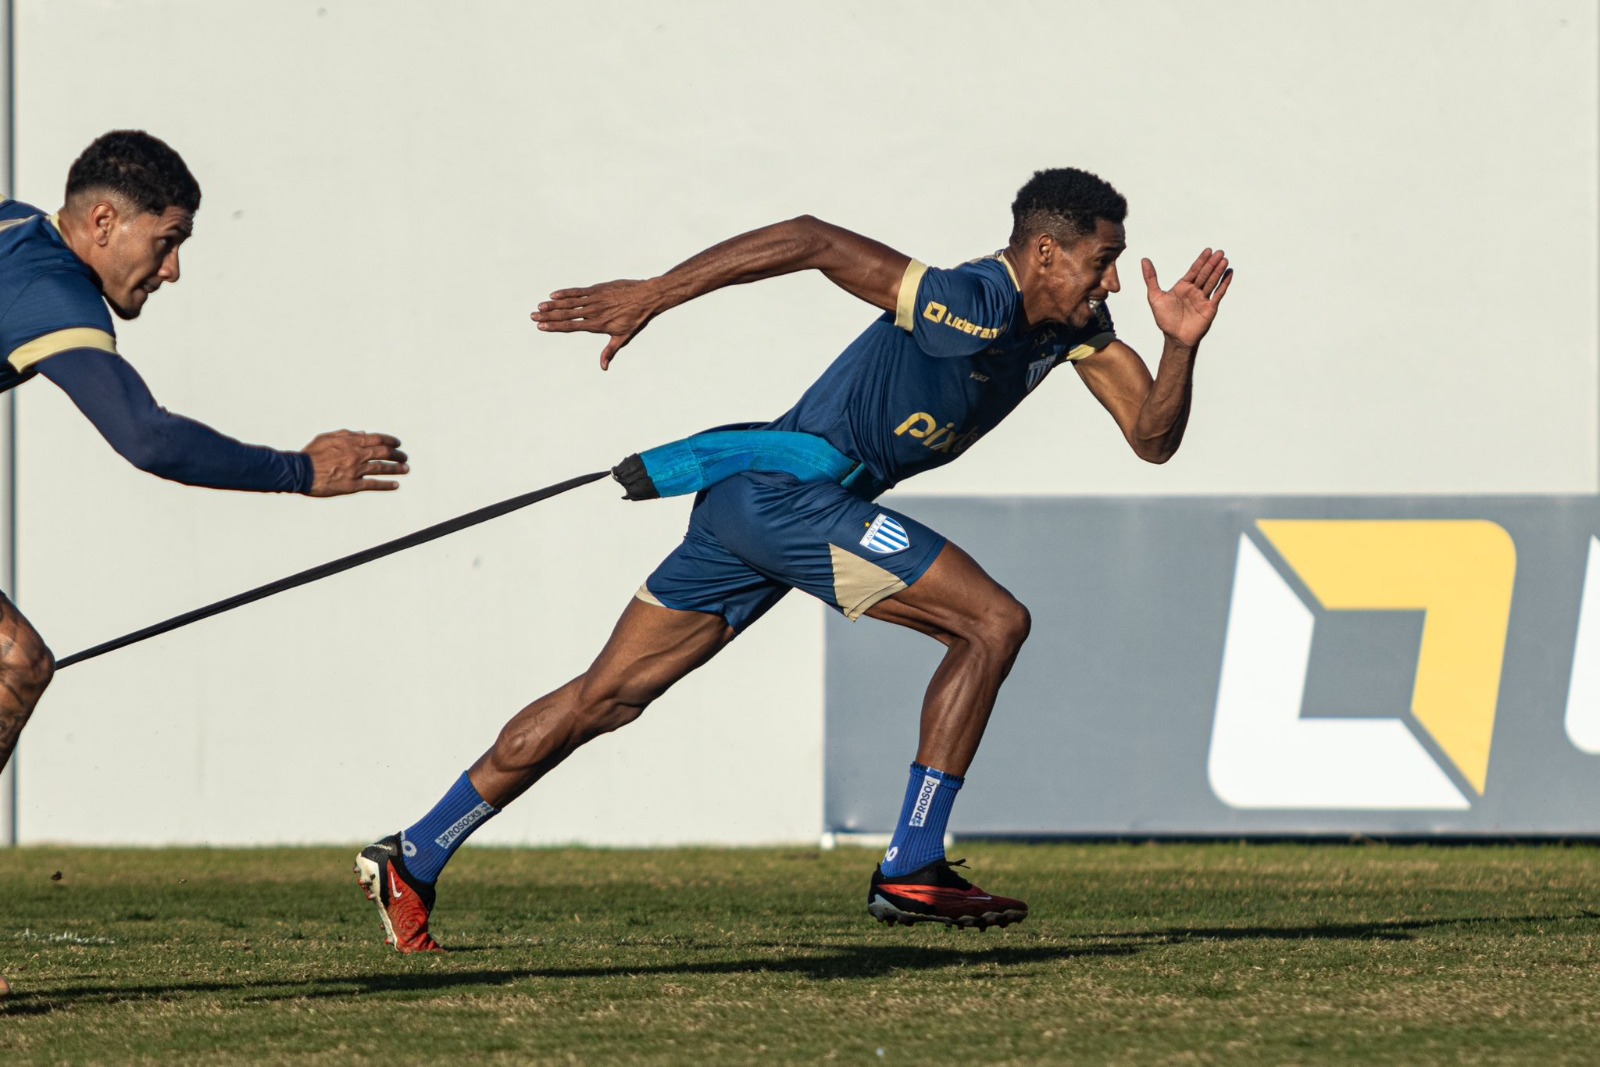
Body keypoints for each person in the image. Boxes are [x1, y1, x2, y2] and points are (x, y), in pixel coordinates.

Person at [356, 167, 1231, 952]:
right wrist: (653, 294)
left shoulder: (1067, 329)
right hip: (789, 498)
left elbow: (1152, 439)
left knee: (607, 697)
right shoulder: (970, 298)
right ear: (1047, 251)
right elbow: (813, 239)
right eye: (1103, 258)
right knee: (993, 622)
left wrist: (1181, 345)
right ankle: (911, 863)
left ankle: (416, 852)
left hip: (761, 504)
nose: (1113, 277)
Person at [0, 129, 410, 782]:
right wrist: (298, 472)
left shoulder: (14, 224)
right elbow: (148, 438)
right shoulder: (53, 294)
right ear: (103, 222)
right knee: (12, 664)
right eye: (167, 242)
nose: (172, 271)